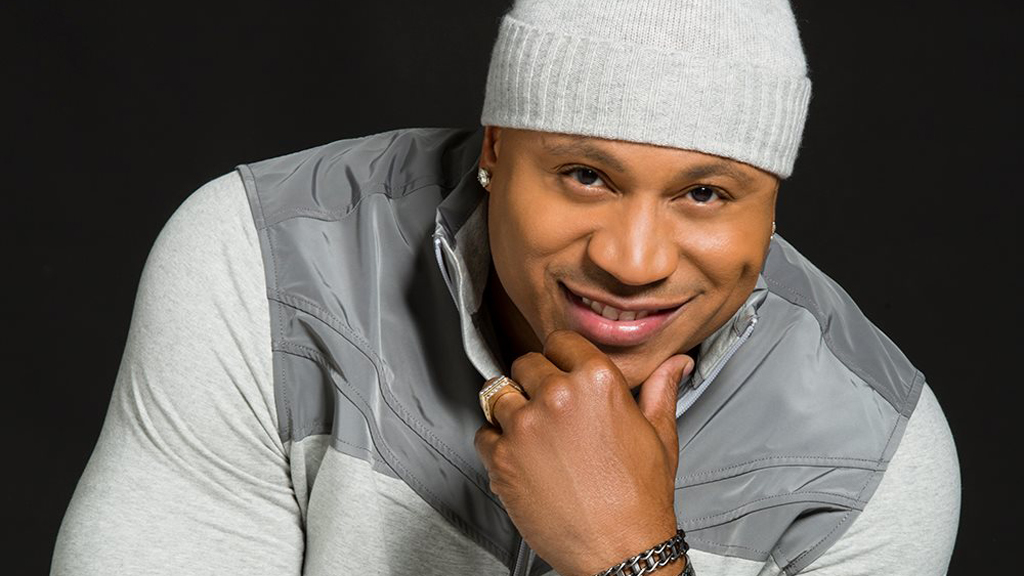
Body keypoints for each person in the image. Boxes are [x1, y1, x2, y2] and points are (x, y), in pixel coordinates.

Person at [51, 1, 960, 575]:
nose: (634, 260)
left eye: (705, 194)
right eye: (585, 176)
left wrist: (632, 558)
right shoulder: (267, 260)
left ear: (769, 206)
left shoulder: (867, 462)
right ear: (496, 148)